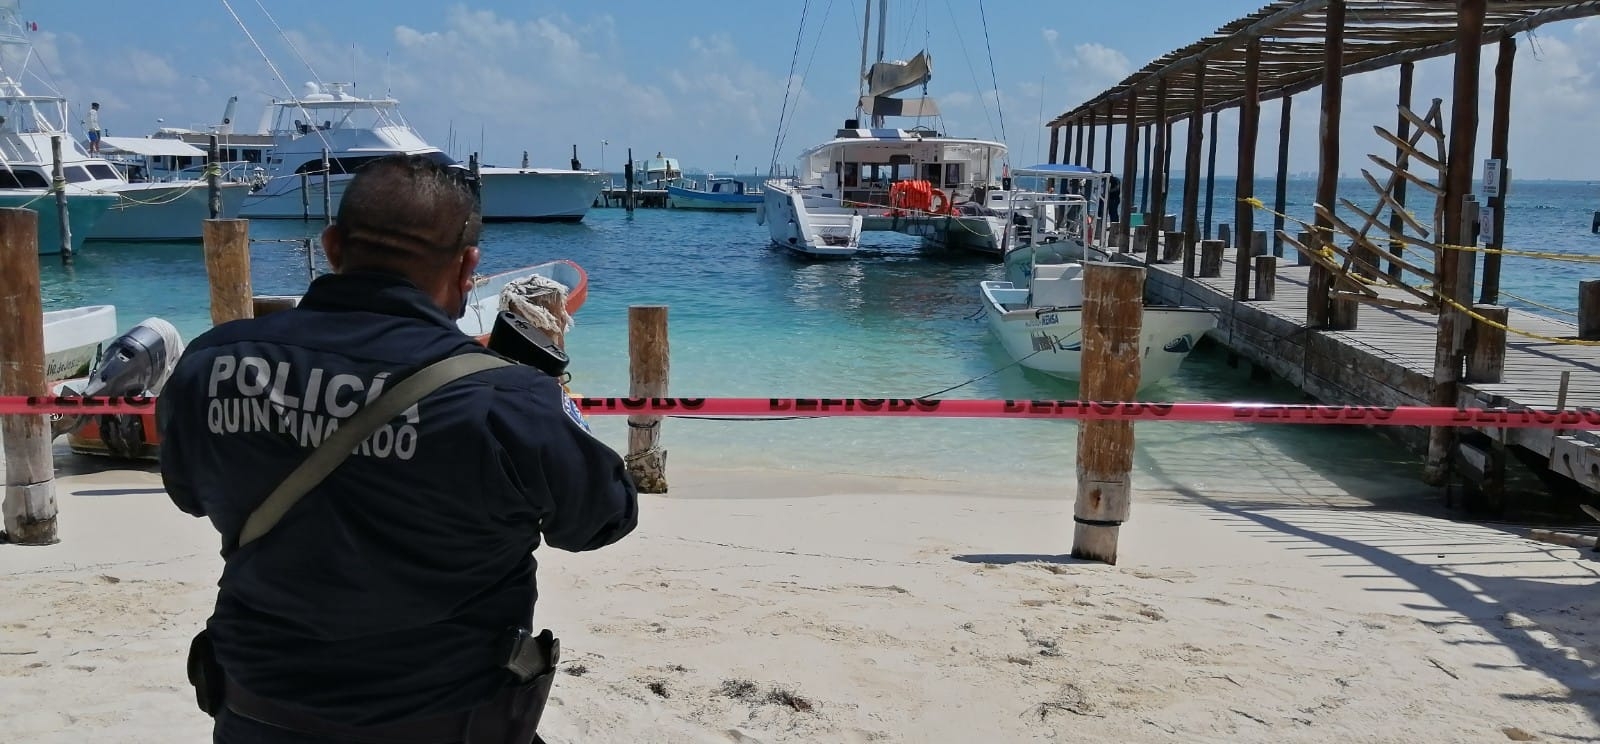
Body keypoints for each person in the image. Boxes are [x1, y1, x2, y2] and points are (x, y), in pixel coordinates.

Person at [157, 153, 640, 743]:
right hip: (447, 719)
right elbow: (602, 518)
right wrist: (554, 404)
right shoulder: (505, 400)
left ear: (333, 247)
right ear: (468, 268)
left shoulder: (212, 363)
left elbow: (189, 493)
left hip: (259, 711)